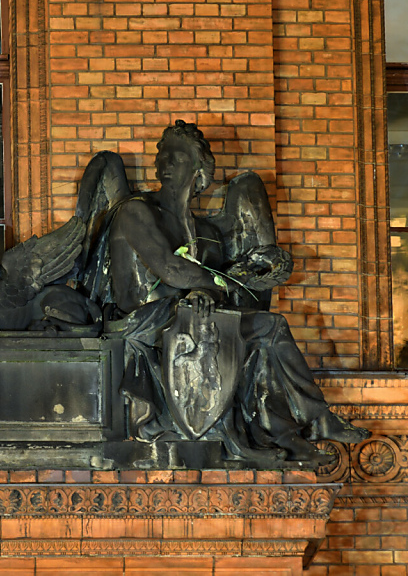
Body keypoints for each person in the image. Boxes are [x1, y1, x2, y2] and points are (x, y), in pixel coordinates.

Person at [90, 120, 368, 462]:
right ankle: (311, 421)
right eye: (161, 154)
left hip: (185, 315)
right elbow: (170, 268)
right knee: (266, 327)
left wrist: (234, 282)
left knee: (266, 332)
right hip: (142, 320)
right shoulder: (137, 211)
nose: (164, 162)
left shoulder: (207, 231)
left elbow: (219, 286)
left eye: (175, 155)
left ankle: (286, 434)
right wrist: (211, 286)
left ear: (198, 166)